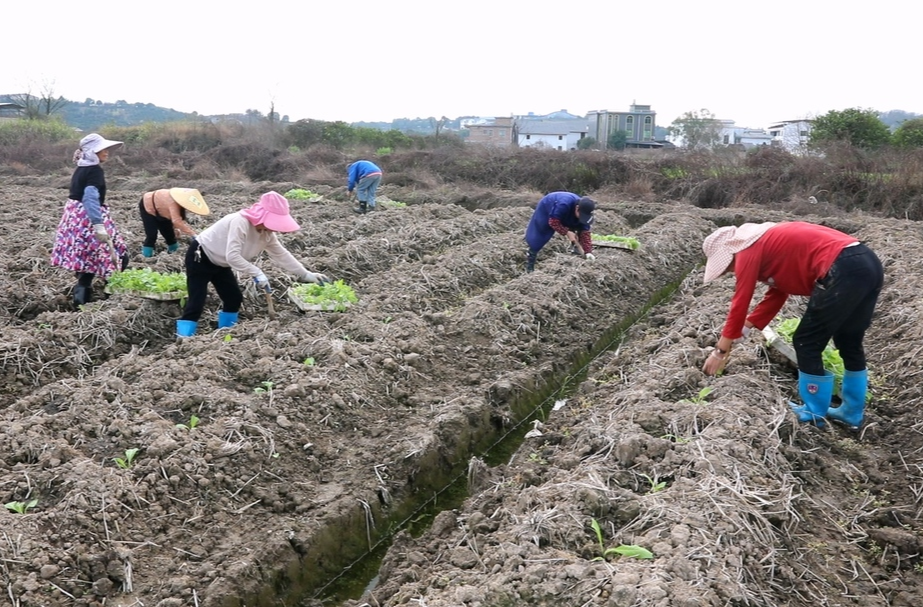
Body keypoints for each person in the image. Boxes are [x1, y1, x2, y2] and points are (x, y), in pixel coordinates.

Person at [700, 221, 884, 429]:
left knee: (806, 341)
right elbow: (778, 293)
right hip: (865, 263)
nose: (731, 271)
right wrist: (748, 326)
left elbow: (740, 301)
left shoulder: (746, 251)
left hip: (840, 266)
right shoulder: (767, 246)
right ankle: (851, 412)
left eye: (727, 267)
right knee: (848, 340)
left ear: (730, 253)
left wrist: (720, 351)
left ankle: (814, 411)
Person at [176, 191, 329, 337]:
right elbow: (233, 256)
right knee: (197, 300)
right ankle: (184, 339)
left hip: (220, 264)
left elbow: (281, 254)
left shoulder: (267, 234)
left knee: (233, 298)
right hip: (201, 256)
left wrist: (306, 274)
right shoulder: (240, 222)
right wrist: (257, 273)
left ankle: (225, 333)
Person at [50, 133, 129, 307]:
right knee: (119, 254)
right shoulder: (94, 171)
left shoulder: (81, 168)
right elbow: (90, 196)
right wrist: (98, 224)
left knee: (87, 260)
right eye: (103, 149)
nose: (107, 152)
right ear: (93, 152)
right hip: (88, 217)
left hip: (74, 217)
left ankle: (81, 302)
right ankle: (112, 297)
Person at [524, 192, 597, 272]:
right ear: (577, 208)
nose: (582, 218)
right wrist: (567, 232)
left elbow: (585, 232)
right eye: (582, 215)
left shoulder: (584, 210)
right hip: (548, 206)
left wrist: (588, 251)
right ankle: (531, 258)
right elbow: (553, 222)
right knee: (541, 233)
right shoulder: (563, 204)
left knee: (579, 225)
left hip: (567, 212)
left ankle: (577, 253)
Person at [139, 188, 210, 257]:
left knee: (169, 233)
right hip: (147, 204)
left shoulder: (179, 202)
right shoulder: (173, 202)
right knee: (152, 234)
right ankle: (146, 256)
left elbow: (176, 217)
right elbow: (176, 221)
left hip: (161, 208)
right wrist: (193, 235)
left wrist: (176, 229)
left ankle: (173, 252)